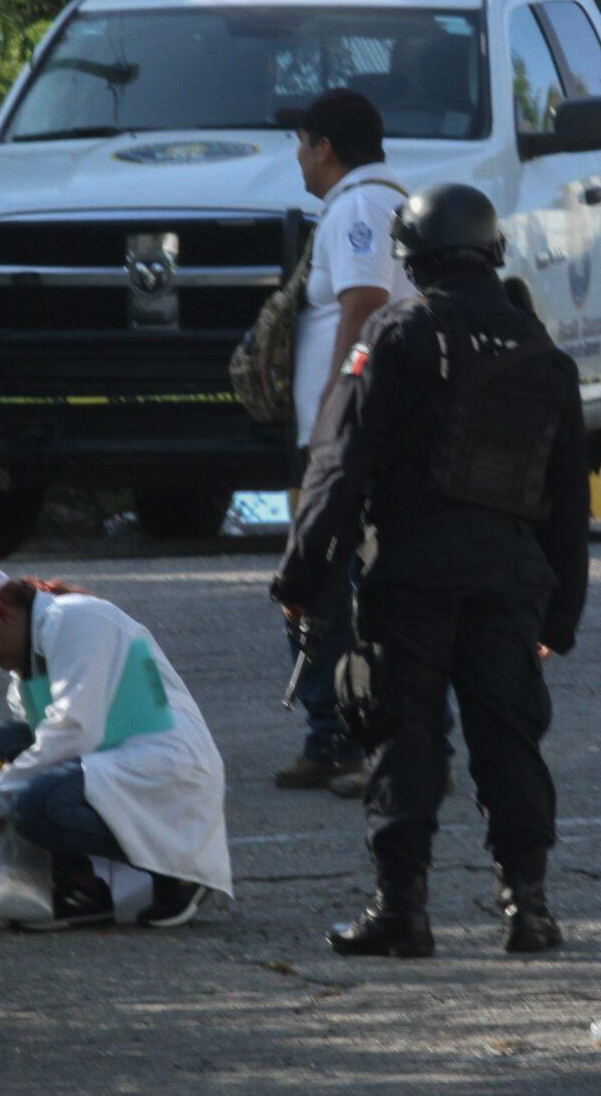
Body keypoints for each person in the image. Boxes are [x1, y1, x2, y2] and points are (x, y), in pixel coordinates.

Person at [271, 182, 591, 958]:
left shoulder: (394, 332)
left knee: (403, 733)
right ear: (496, 252)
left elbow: (340, 466)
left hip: (413, 567)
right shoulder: (542, 352)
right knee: (509, 736)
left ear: (411, 259)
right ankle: (530, 909)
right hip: (509, 574)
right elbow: (568, 500)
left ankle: (402, 910)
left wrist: (300, 577)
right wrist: (561, 614)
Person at [0, 566, 233, 928]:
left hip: (166, 768)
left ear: (2, 614)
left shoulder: (75, 619)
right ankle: (86, 883)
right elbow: (42, 751)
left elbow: (75, 729)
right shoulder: (29, 662)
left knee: (34, 804)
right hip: (113, 756)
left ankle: (178, 872)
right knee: (0, 743)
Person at [275, 88, 414, 794]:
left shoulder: (359, 206)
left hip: (354, 436)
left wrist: (335, 412)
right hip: (366, 432)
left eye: (301, 142)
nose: (297, 157)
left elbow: (364, 305)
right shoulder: (379, 199)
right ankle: (348, 735)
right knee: (345, 586)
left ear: (324, 146)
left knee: (332, 586)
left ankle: (353, 739)